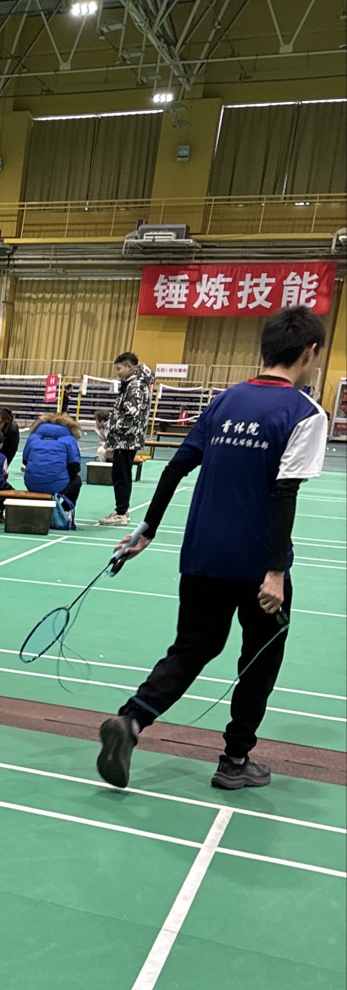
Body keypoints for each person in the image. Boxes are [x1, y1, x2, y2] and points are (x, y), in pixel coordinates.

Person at [96, 306, 328, 793]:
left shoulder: (224, 401)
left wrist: (146, 531)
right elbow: (284, 493)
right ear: (309, 352)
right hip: (257, 565)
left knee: (192, 647)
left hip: (202, 555)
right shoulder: (305, 413)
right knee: (260, 660)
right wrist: (275, 572)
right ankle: (235, 760)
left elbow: (175, 467)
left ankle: (131, 720)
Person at [101, 351, 154, 527]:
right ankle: (121, 509)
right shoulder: (132, 384)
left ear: (129, 367)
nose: (118, 372)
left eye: (119, 369)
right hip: (126, 438)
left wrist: (113, 428)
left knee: (121, 476)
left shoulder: (135, 385)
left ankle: (122, 512)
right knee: (120, 474)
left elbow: (132, 414)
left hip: (127, 438)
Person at [21, 412, 83, 516]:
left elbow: (25, 461)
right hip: (58, 485)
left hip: (32, 484)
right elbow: (75, 467)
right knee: (77, 481)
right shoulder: (69, 439)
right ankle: (65, 511)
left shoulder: (33, 437)